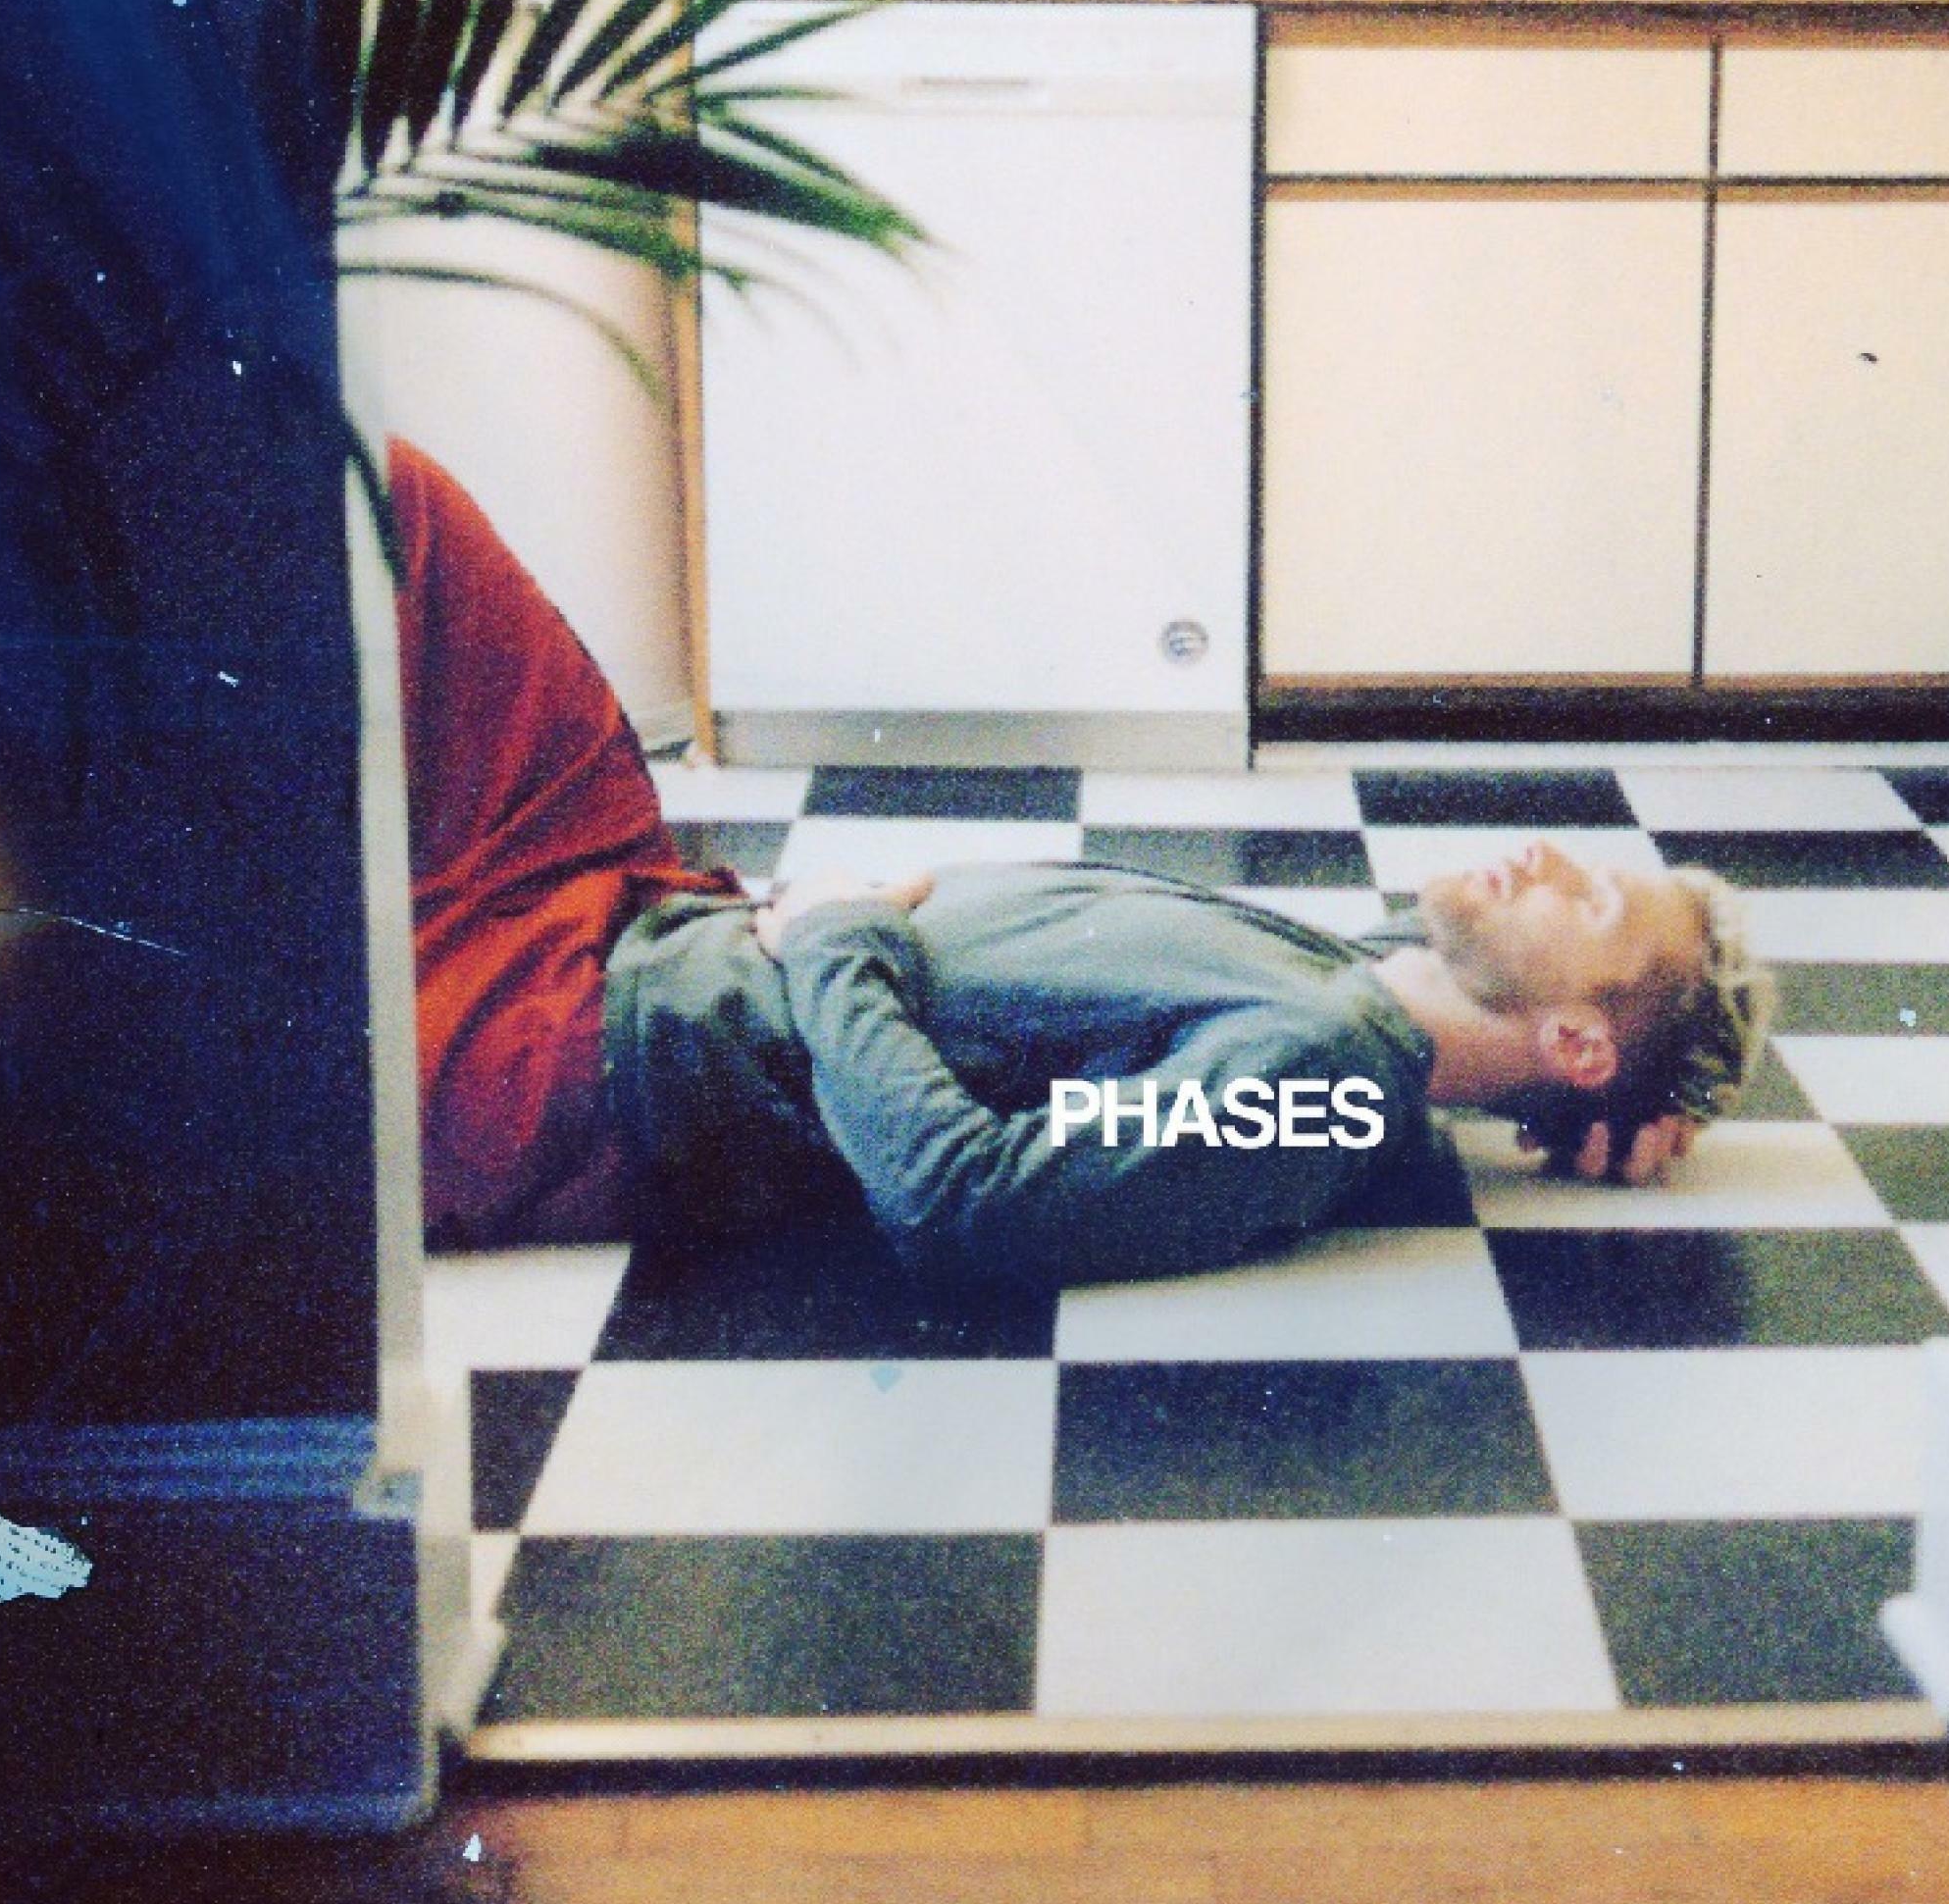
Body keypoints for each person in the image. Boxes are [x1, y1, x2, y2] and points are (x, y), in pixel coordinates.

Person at [392, 443, 1773, 1281]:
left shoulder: (1329, 1084)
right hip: (617, 906)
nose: (1546, 855)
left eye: (1592, 898)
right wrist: (1623, 1098)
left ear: (1577, 1037)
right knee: (395, 504)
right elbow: (1453, 1071)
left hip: (586, 1055)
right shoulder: (1365, 1013)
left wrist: (832, 940)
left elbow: (970, 1202)